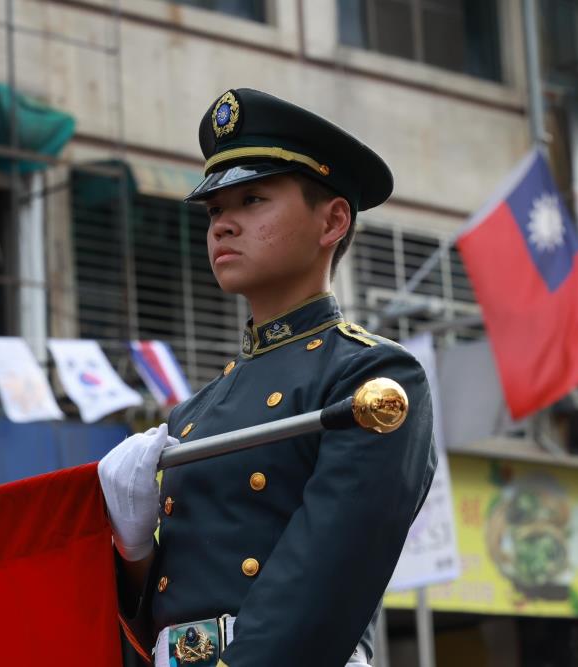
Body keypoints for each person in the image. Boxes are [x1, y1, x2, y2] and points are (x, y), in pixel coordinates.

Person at [98, 88, 437, 667]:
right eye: (214, 211)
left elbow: (324, 582)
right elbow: (158, 609)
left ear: (332, 220)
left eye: (252, 199)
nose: (223, 225)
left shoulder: (370, 376)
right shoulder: (195, 411)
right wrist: (130, 552)